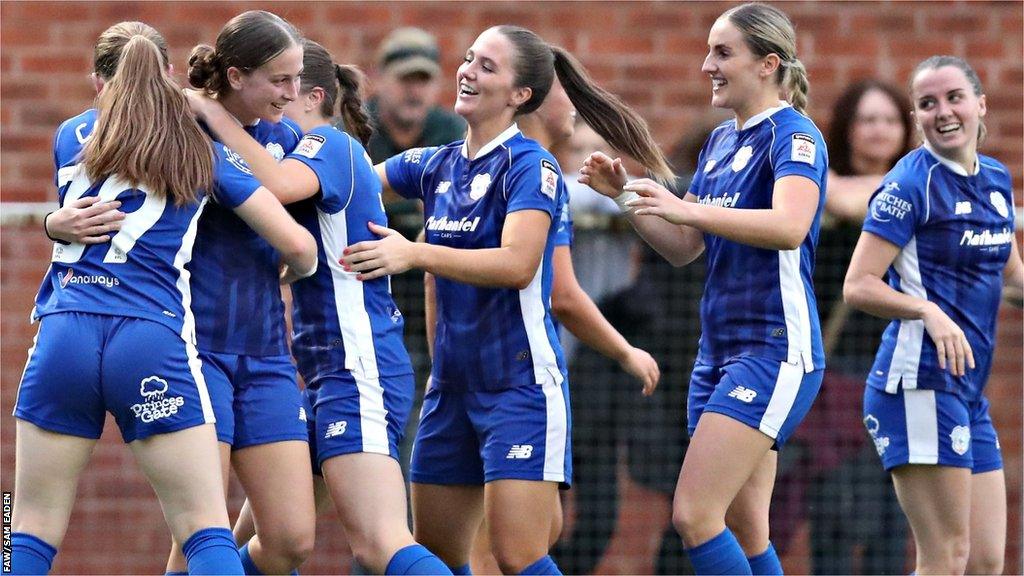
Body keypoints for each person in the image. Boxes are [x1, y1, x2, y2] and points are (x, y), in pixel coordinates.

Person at [341, 25, 671, 575]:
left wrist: (415, 254)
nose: (467, 70)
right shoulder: (434, 164)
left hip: (519, 388)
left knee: (518, 554)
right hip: (450, 388)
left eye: (487, 66)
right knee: (440, 557)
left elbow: (518, 267)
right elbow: (347, 186)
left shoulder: (530, 167)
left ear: (521, 95)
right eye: (468, 59)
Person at [11, 21, 313, 575]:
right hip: (149, 336)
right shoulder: (198, 145)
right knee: (204, 528)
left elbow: (79, 214)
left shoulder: (69, 134)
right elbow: (299, 245)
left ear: (98, 83)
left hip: (62, 331)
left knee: (24, 525)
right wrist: (293, 270)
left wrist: (54, 223)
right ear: (169, 75)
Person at [187, 38, 453, 576]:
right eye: (272, 85)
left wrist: (210, 111)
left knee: (379, 545)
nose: (278, 103)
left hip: (359, 366)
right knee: (255, 540)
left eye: (287, 89)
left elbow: (278, 184)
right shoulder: (320, 154)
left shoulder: (328, 144)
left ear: (312, 95)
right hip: (323, 371)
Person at [581, 4, 827, 574]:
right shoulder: (720, 141)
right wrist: (627, 198)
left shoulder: (794, 135)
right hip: (717, 351)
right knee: (745, 530)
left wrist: (685, 210)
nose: (706, 65)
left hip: (774, 349)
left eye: (722, 53)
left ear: (768, 64)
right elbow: (684, 248)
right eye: (708, 51)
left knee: (694, 515)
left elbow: (790, 227)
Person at [431, 53, 665, 574]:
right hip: (481, 384)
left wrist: (623, 351)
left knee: (518, 542)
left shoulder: (532, 171)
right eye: (568, 95)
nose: (578, 110)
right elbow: (437, 271)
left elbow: (553, 289)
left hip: (517, 384)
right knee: (481, 546)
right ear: (530, 97)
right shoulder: (502, 166)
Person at [844, 55, 1023, 575]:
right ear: (917, 116)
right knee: (945, 556)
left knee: (987, 561)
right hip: (917, 385)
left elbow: (1011, 278)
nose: (942, 111)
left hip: (967, 389)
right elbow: (858, 286)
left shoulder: (995, 178)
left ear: (980, 105)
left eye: (953, 98)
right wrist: (927, 310)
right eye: (927, 103)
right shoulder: (909, 185)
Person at [177, 11, 318, 575]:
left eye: (298, 77)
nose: (292, 93)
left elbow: (306, 238)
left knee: (289, 539)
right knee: (199, 534)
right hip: (197, 350)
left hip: (266, 355)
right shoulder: (183, 135)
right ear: (235, 77)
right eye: (279, 80)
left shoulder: (287, 141)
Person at [802, 79, 913, 574]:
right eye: (867, 119)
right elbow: (843, 198)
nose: (879, 130)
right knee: (836, 505)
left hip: (908, 365)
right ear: (847, 129)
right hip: (841, 368)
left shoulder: (919, 186)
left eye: (889, 119)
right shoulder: (822, 186)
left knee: (898, 507)